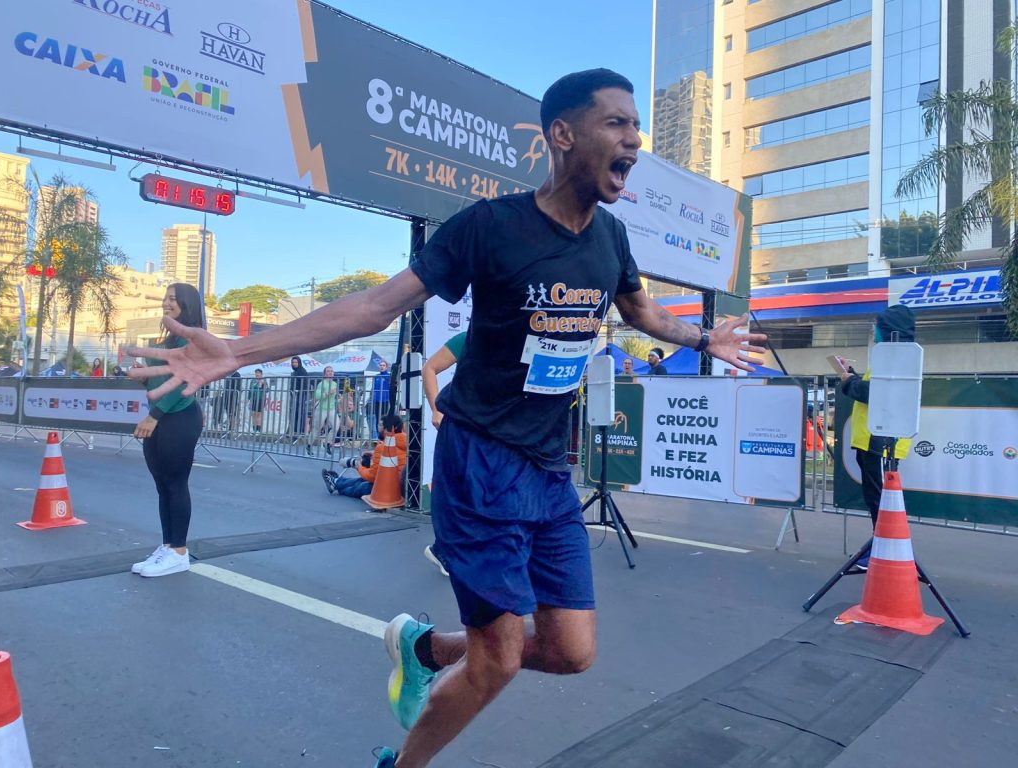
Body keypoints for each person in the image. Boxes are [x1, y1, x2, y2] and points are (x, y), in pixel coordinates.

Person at [127, 68, 765, 768]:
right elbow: (374, 308)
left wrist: (704, 338)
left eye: (634, 126)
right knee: (499, 662)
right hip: (480, 461)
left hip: (551, 471)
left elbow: (640, 310)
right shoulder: (489, 228)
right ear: (562, 135)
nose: (634, 140)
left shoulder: (610, 239)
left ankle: (423, 649)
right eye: (616, 123)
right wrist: (240, 351)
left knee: (571, 652)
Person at [128, 283, 204, 578]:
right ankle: (167, 546)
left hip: (179, 416)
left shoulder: (193, 339)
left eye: (173, 299)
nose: (166, 303)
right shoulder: (169, 338)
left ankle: (179, 552)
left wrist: (154, 416)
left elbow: (184, 384)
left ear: (186, 304)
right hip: (160, 416)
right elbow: (161, 382)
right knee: (162, 485)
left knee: (175, 482)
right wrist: (142, 378)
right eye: (166, 298)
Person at [839, 304, 915, 554]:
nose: (876, 333)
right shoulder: (890, 357)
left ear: (889, 330)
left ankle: (883, 550)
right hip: (872, 441)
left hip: (881, 443)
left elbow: (876, 394)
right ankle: (880, 547)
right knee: (877, 500)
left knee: (882, 501)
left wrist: (849, 383)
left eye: (878, 327)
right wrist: (852, 375)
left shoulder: (896, 359)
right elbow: (873, 388)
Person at [420, 332, 469, 576]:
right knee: (450, 485)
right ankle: (444, 549)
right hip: (459, 422)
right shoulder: (468, 338)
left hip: (492, 426)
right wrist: (436, 410)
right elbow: (429, 368)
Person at [327, 413, 407, 498]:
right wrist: (373, 454)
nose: (377, 427)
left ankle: (338, 486)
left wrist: (359, 466)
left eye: (380, 425)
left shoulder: (383, 447)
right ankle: (336, 482)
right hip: (400, 486)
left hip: (388, 488)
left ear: (389, 429)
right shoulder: (406, 441)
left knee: (364, 486)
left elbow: (372, 476)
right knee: (363, 482)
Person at [313, 365, 340, 455]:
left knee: (336, 426)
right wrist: (328, 393)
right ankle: (309, 445)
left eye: (332, 371)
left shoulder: (335, 384)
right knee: (317, 428)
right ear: (324, 374)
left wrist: (338, 397)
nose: (330, 373)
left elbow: (334, 397)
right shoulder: (321, 384)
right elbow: (317, 396)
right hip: (322, 408)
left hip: (331, 408)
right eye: (328, 371)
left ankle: (327, 443)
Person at [288, 355, 311, 441]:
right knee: (295, 413)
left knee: (300, 413)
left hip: (301, 395)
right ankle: (295, 431)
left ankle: (299, 432)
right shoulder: (294, 372)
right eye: (293, 362)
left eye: (296, 362)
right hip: (295, 395)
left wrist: (299, 392)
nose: (294, 364)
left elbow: (304, 384)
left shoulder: (302, 371)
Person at [371, 359, 391, 438]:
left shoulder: (388, 376)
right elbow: (374, 388)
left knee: (384, 418)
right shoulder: (376, 376)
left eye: (383, 365)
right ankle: (379, 436)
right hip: (377, 400)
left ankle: (385, 435)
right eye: (381, 365)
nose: (382, 367)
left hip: (385, 400)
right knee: (377, 418)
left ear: (386, 367)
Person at [247, 368, 268, 433]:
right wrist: (248, 399)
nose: (257, 374)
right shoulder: (252, 381)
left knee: (258, 414)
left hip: (260, 399)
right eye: (256, 373)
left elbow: (267, 390)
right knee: (253, 414)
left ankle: (259, 429)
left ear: (261, 374)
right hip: (253, 399)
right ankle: (254, 429)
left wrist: (262, 385)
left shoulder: (264, 381)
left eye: (258, 373)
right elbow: (250, 390)